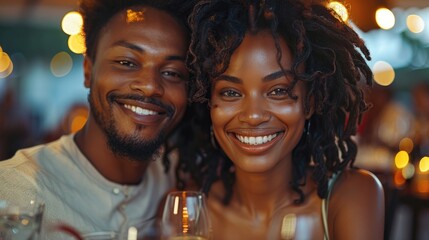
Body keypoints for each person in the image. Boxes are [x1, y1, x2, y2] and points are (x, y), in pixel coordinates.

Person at [181, 0, 385, 239]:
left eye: (278, 91)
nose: (253, 115)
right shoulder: (190, 204)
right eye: (231, 93)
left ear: (309, 103)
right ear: (208, 104)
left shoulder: (351, 195)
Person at [0, 0, 194, 238]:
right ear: (88, 70)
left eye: (173, 72)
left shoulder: (185, 183)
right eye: (126, 63)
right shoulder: (13, 190)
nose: (150, 86)